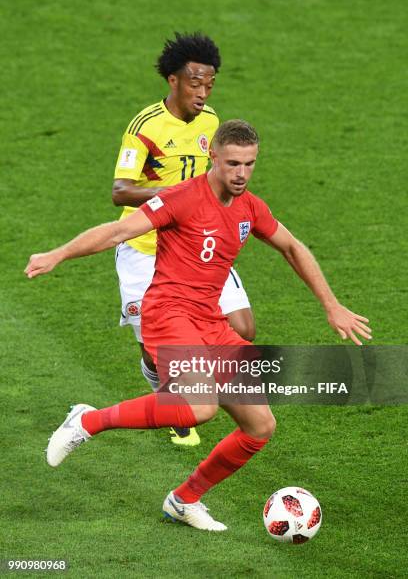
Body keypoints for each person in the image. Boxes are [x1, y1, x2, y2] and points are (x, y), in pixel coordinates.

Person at [25, 120, 371, 532]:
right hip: (168, 315)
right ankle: (86, 421)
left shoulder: (250, 208)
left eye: (249, 164)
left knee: (260, 427)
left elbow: (293, 247)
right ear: (213, 157)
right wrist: (59, 254)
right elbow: (118, 231)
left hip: (209, 320)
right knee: (198, 406)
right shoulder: (182, 198)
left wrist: (332, 306)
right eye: (232, 164)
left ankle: (184, 499)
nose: (241, 173)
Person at [112, 32, 255, 446]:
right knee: (153, 348)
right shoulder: (145, 126)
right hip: (145, 250)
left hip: (198, 246)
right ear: (173, 80)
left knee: (243, 328)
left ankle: (201, 389)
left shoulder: (212, 121)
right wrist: (177, 196)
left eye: (210, 83)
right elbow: (120, 191)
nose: (203, 91)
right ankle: (170, 390)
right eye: (195, 83)